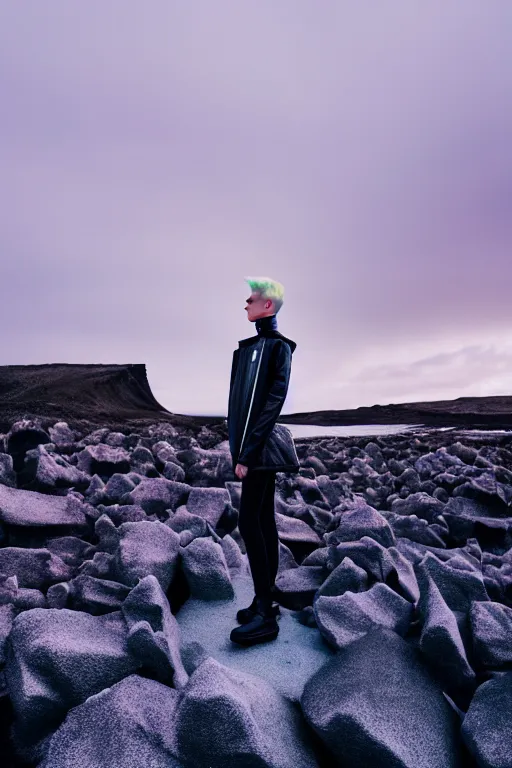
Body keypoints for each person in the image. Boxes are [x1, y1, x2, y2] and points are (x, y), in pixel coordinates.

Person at [227, 276, 299, 647]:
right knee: (264, 519)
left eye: (251, 299)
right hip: (256, 449)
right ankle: (264, 598)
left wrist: (247, 454)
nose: (246, 303)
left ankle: (265, 613)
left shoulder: (275, 347)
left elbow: (271, 404)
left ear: (267, 306)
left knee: (249, 521)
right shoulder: (255, 347)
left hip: (260, 451)